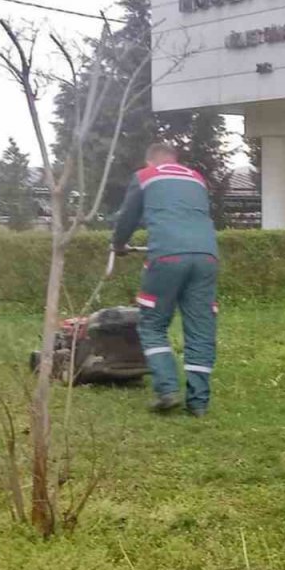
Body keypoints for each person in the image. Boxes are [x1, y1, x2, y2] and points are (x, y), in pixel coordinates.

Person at [111, 142, 219, 416]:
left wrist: (119, 245)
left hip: (167, 256)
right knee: (200, 329)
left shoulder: (146, 176)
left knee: (152, 325)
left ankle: (167, 389)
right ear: (175, 160)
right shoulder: (197, 179)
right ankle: (199, 403)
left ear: (151, 161)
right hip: (207, 257)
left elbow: (127, 218)